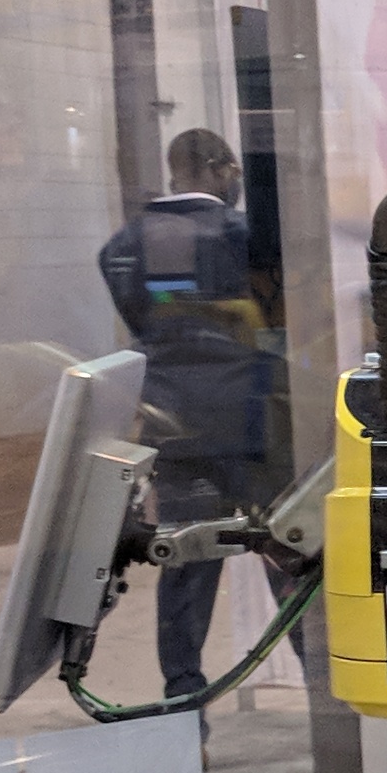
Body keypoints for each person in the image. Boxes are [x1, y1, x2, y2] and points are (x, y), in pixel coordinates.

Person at [98, 128, 309, 699]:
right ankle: (323, 689)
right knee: (290, 553)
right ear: (219, 168)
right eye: (232, 170)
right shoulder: (245, 236)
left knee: (186, 564)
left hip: (176, 424)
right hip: (257, 423)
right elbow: (280, 315)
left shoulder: (123, 246)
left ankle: (184, 702)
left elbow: (144, 321)